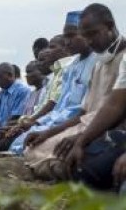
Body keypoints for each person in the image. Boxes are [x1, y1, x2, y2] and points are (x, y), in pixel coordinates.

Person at [23, 3, 126, 182]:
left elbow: (114, 109)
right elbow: (84, 111)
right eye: (86, 36)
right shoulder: (99, 65)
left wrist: (81, 139)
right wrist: (49, 132)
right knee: (34, 149)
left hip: (107, 129)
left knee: (84, 166)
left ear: (110, 26)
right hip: (89, 127)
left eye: (93, 34)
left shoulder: (123, 58)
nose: (90, 41)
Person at [8, 11, 97, 155]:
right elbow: (59, 107)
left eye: (72, 36)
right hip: (58, 122)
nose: (68, 42)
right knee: (18, 144)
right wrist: (40, 124)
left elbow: (84, 111)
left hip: (80, 124)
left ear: (87, 34)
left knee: (34, 149)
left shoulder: (98, 62)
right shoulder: (70, 66)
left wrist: (48, 129)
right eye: (66, 36)